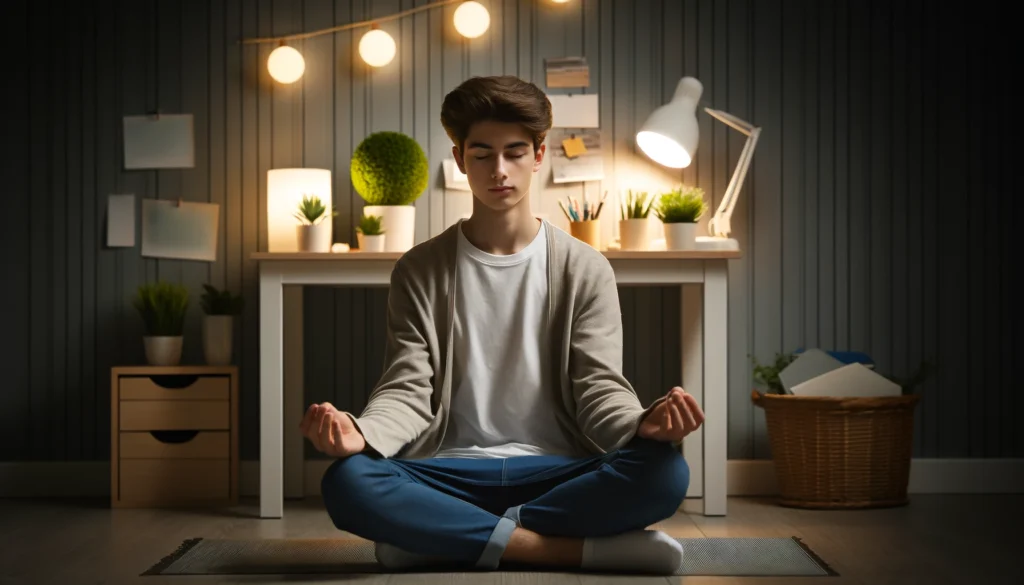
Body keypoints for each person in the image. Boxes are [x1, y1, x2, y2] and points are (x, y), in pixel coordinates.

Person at [299, 75, 706, 575]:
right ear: (459, 157)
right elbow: (407, 389)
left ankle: (442, 536)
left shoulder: (585, 268)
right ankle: (561, 549)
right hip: (447, 471)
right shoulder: (419, 269)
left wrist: (641, 424)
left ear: (539, 155)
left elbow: (599, 386)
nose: (499, 170)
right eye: (482, 154)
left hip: (556, 471)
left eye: (515, 153)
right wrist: (360, 434)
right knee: (347, 481)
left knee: (664, 472)